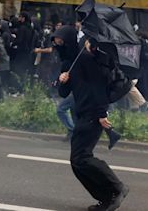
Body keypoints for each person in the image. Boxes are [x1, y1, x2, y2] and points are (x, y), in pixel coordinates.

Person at [58, 38, 129, 211]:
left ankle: (116, 188)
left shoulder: (88, 61)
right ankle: (106, 196)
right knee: (77, 160)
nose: (57, 45)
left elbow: (98, 90)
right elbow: (64, 92)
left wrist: (101, 113)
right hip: (82, 114)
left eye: (59, 41)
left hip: (93, 114)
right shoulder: (73, 61)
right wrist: (63, 80)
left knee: (81, 158)